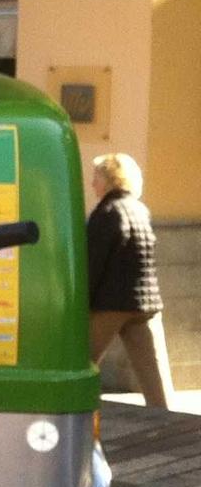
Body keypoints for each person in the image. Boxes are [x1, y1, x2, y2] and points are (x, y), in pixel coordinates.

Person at [87, 152, 175, 408]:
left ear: (109, 179)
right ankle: (168, 426)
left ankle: (72, 413)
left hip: (112, 304)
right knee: (154, 377)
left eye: (96, 177)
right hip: (146, 304)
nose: (93, 184)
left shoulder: (107, 211)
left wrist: (82, 302)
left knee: (81, 363)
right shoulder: (139, 209)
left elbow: (95, 261)